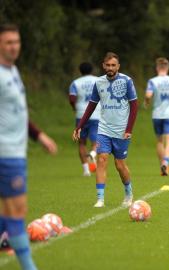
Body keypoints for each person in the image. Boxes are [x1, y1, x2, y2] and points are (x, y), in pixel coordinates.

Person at [0, 23, 58, 270]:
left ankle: (4, 240)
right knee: (17, 211)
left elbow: (18, 112)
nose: (14, 47)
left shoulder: (12, 71)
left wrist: (39, 135)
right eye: (8, 42)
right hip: (6, 152)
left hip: (15, 151)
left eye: (17, 41)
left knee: (8, 207)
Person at [72, 52, 138, 208]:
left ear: (118, 66)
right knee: (102, 160)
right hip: (104, 129)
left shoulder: (126, 81)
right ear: (103, 66)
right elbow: (91, 105)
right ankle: (100, 199)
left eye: (113, 65)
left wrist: (129, 129)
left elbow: (134, 106)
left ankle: (128, 192)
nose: (110, 68)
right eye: (107, 65)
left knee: (120, 165)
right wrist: (79, 126)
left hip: (122, 131)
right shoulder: (99, 83)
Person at [144, 57, 169, 176]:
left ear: (157, 68)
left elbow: (148, 94)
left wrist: (146, 102)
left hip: (157, 114)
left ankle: (163, 165)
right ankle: (166, 163)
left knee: (160, 141)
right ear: (167, 68)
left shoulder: (153, 81)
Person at [69, 62, 100, 176]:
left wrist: (74, 107)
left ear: (80, 71)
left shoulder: (75, 83)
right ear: (92, 70)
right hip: (96, 113)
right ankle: (92, 153)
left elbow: (72, 98)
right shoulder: (98, 80)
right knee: (96, 141)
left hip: (81, 114)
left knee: (81, 143)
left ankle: (86, 170)